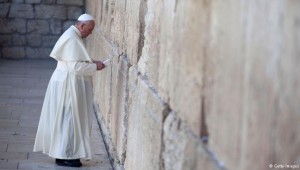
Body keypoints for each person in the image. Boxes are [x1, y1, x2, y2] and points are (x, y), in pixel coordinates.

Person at [33, 14, 105, 167]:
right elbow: (75, 67)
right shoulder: (72, 38)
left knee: (65, 120)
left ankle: (62, 154)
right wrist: (95, 67)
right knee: (71, 120)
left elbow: (76, 59)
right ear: (82, 26)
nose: (91, 33)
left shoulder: (73, 35)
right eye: (90, 29)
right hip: (68, 86)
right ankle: (70, 156)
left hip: (65, 83)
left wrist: (92, 62)